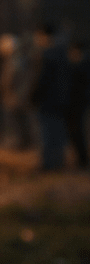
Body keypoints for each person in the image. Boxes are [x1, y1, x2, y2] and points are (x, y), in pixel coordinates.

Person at [29, 23, 71, 171]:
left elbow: (41, 80)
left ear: (44, 36)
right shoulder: (63, 53)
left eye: (38, 36)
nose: (36, 40)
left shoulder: (46, 55)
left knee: (46, 133)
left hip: (47, 101)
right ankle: (59, 162)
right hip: (61, 101)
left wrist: (33, 96)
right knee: (58, 132)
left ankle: (48, 164)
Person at [67, 41, 89, 169]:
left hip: (78, 104)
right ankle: (81, 158)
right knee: (77, 132)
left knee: (77, 132)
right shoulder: (82, 64)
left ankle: (82, 159)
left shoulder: (82, 64)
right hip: (78, 103)